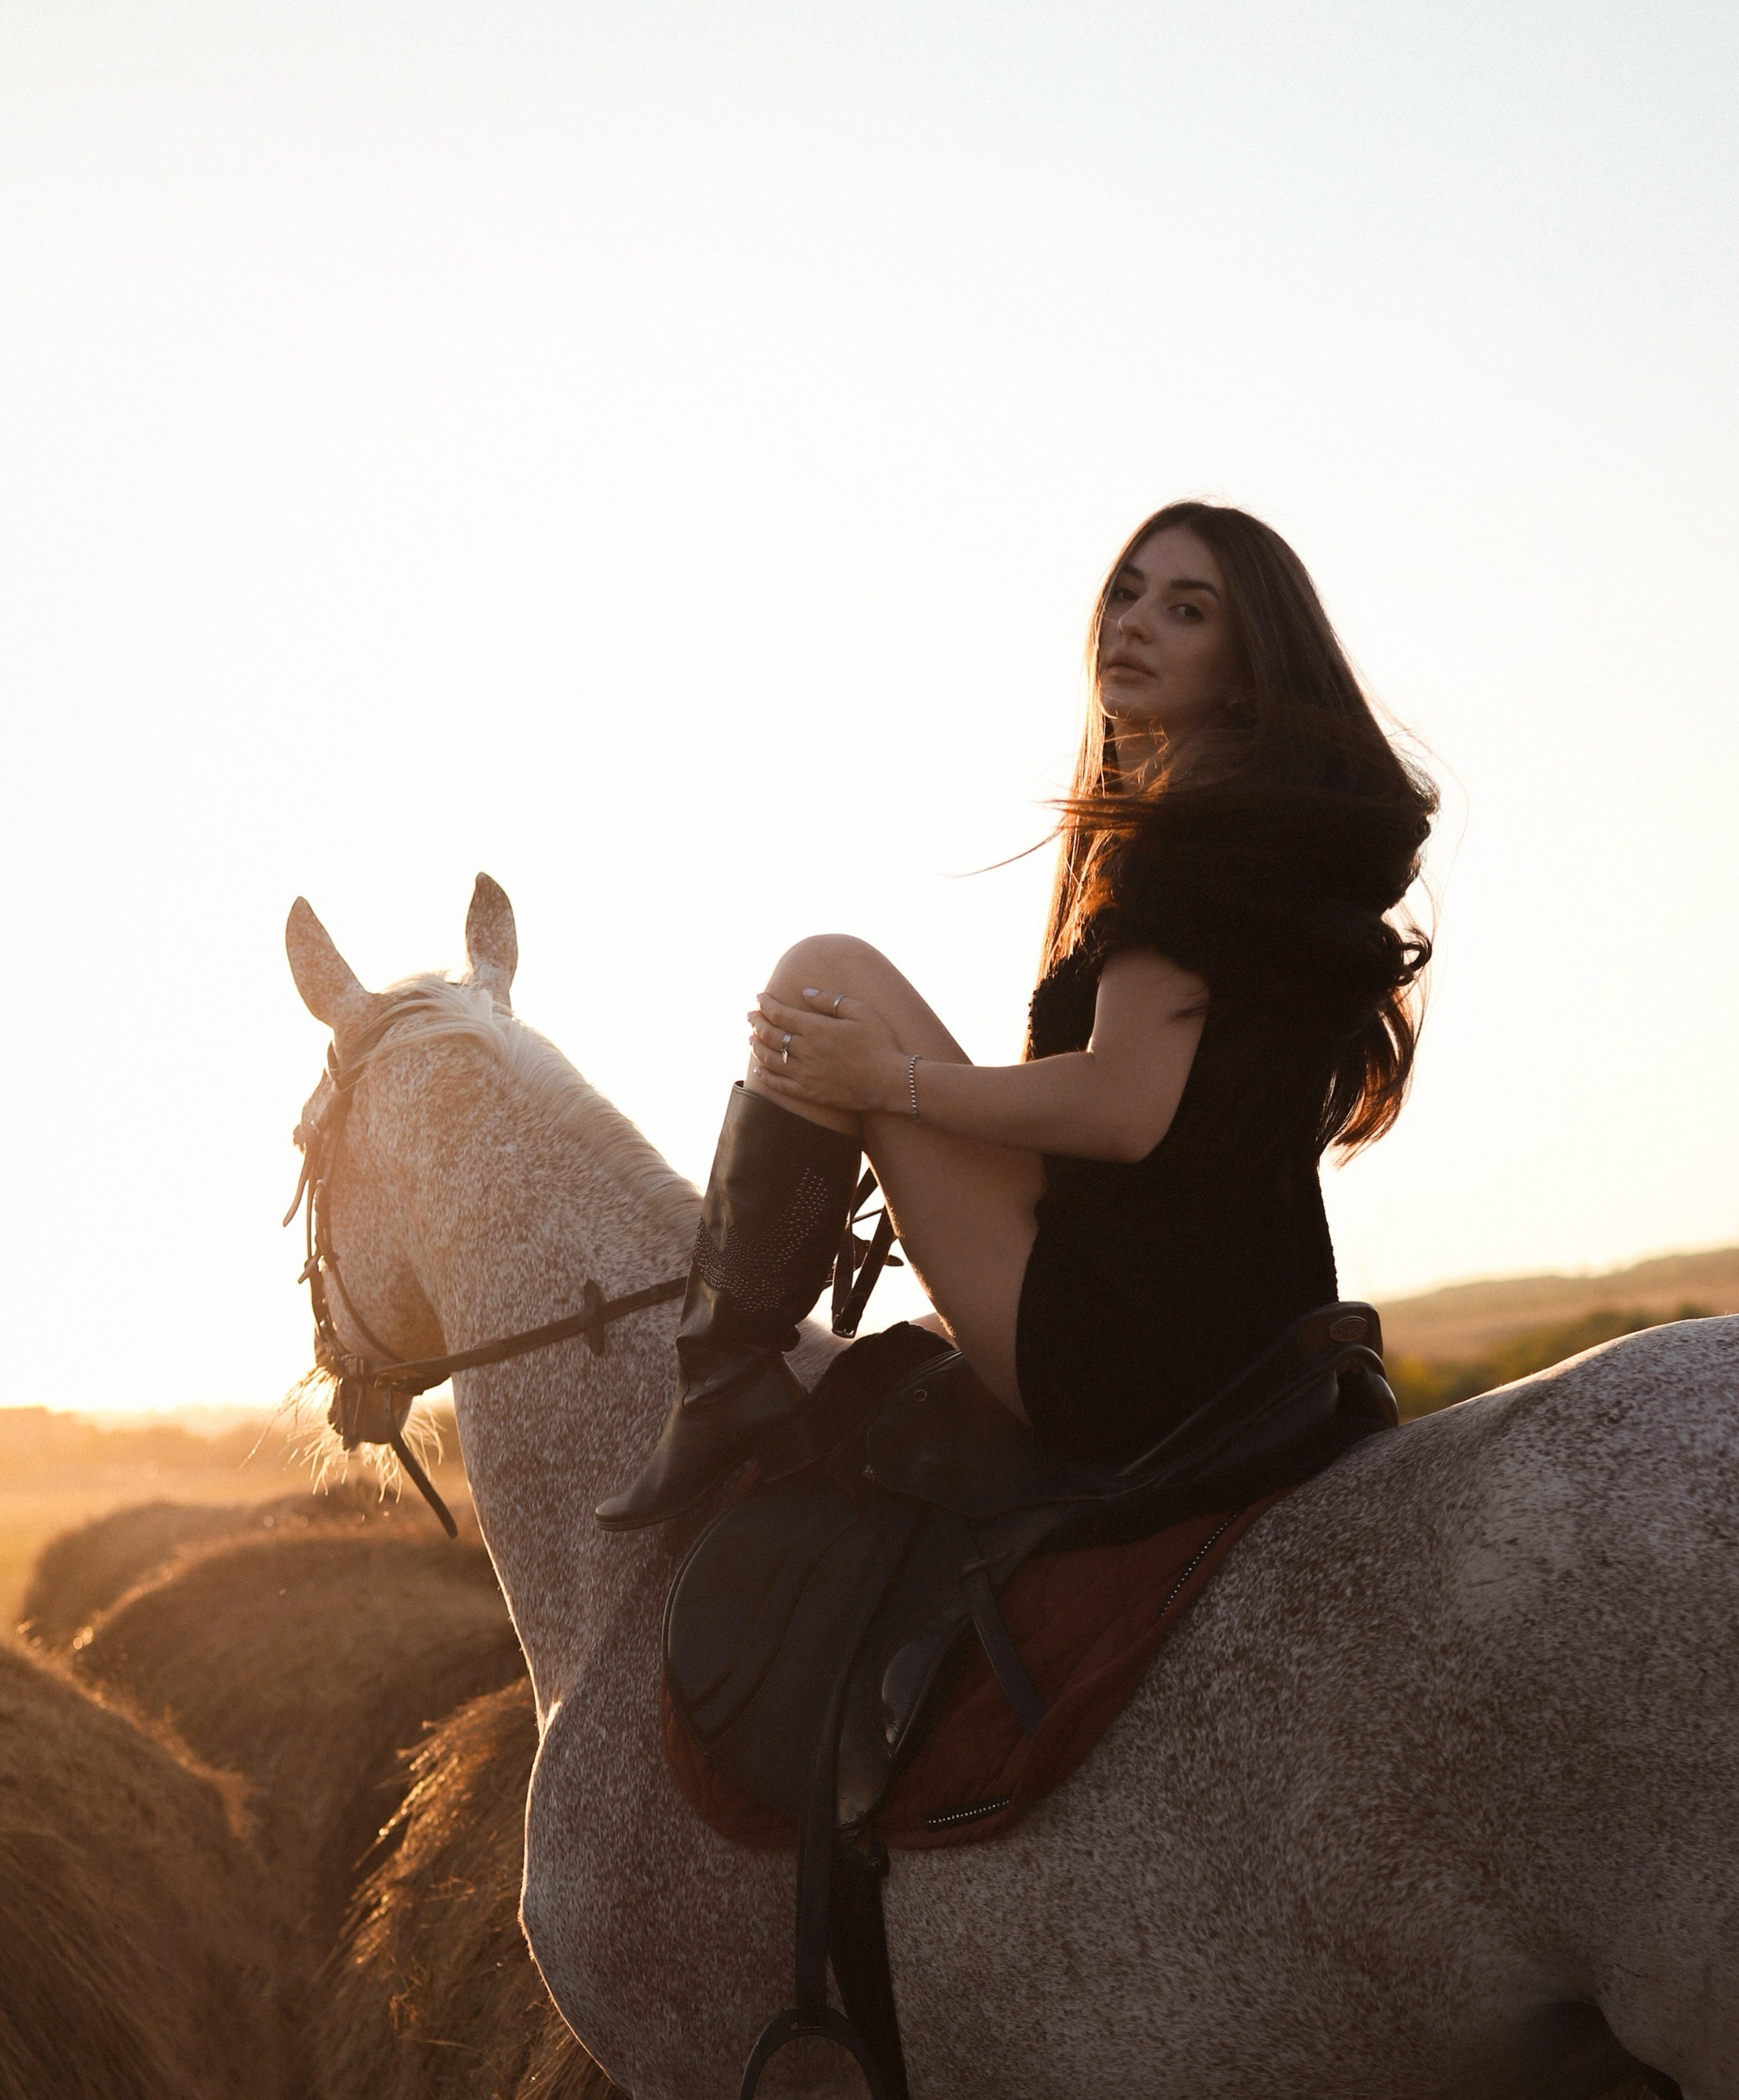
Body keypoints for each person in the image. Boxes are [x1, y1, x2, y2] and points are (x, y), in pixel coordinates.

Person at [595, 501, 1436, 1531]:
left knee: (823, 974)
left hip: (1134, 1352)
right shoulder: (1276, 851)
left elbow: (1122, 1109)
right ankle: (729, 1376)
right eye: (1125, 594)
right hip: (1259, 1325)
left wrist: (883, 1087)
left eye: (1184, 610)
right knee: (840, 976)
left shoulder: (1184, 845)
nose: (1131, 623)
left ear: (1247, 665)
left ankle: (725, 1380)